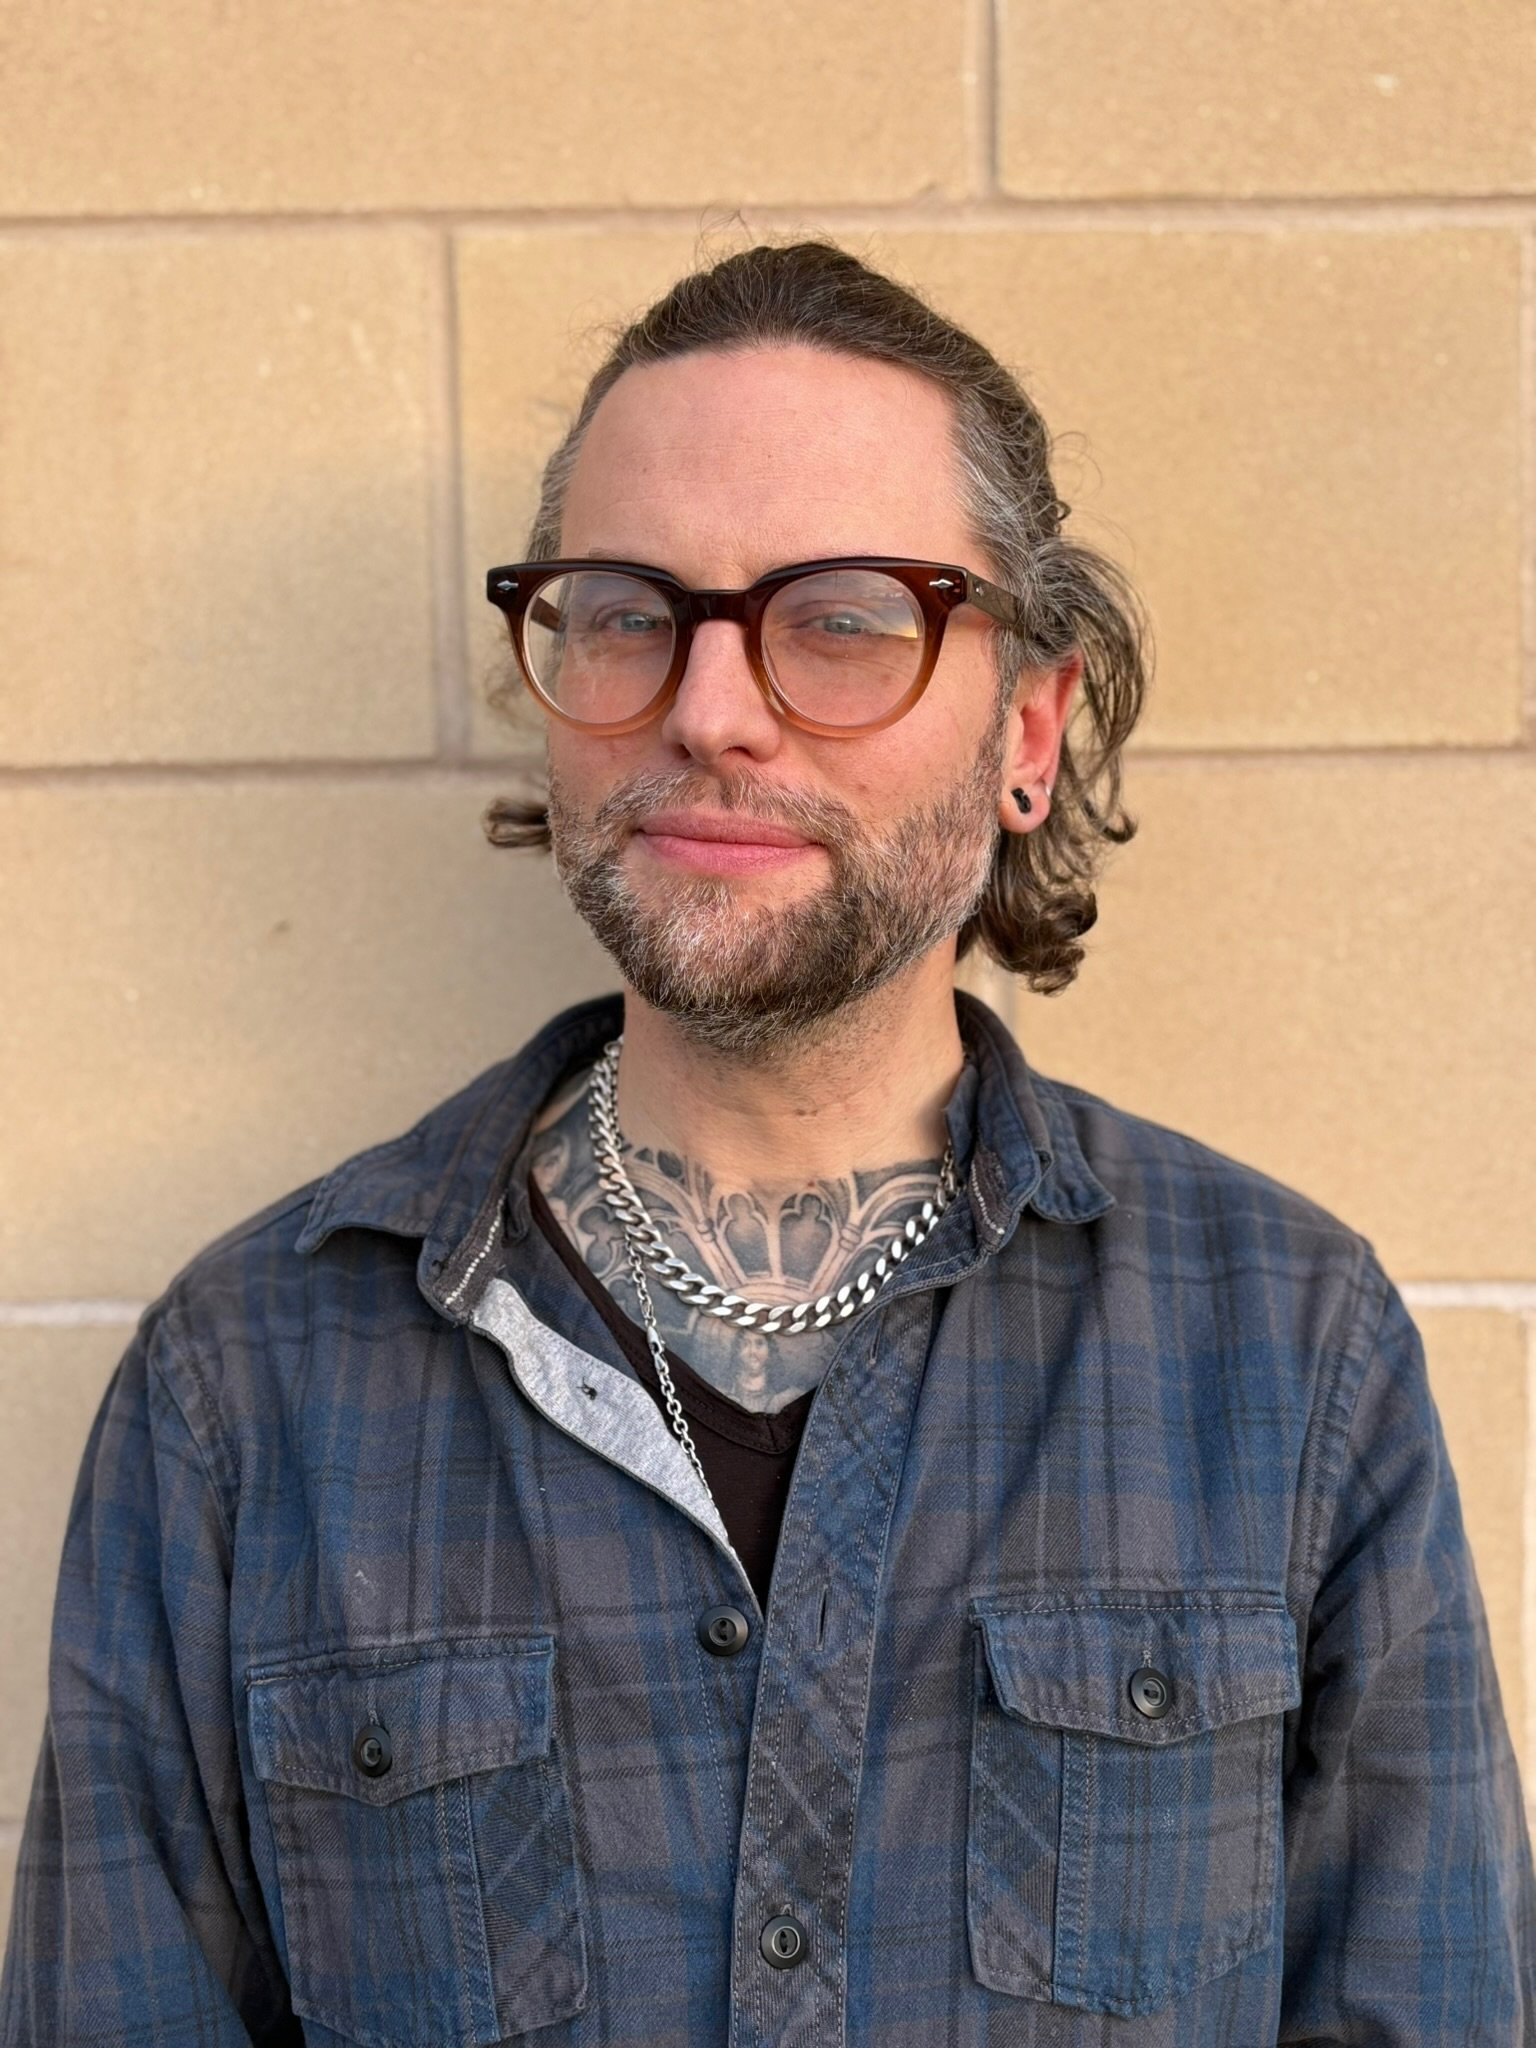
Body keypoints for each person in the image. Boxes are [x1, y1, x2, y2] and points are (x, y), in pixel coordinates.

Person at [2, 240, 1531, 2047]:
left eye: (844, 618)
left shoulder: (1287, 1349)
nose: (710, 709)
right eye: (631, 611)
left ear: (1029, 728)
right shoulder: (245, 1387)